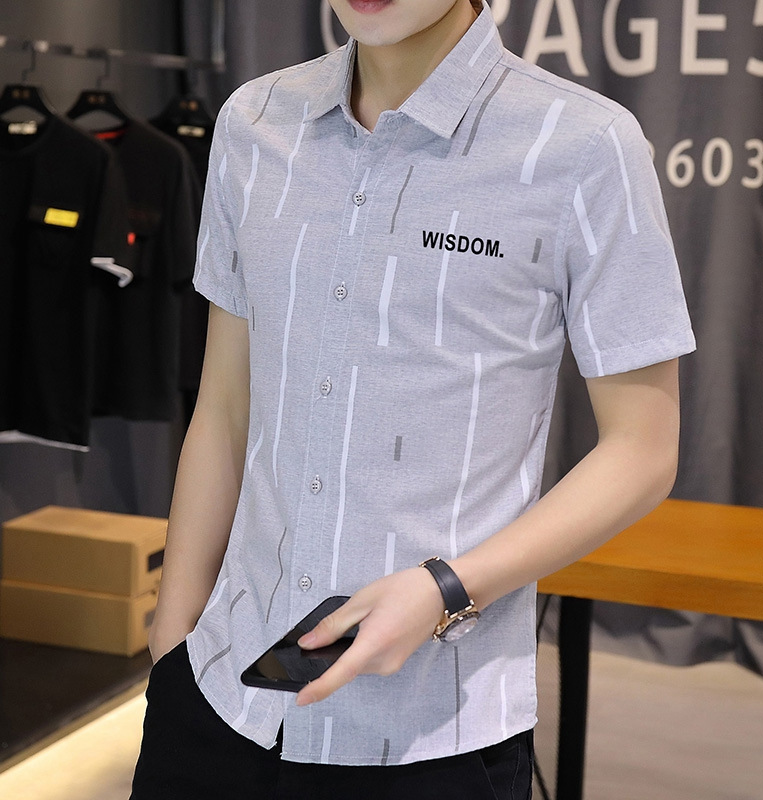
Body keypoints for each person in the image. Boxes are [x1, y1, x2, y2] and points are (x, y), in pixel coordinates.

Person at [130, 0, 695, 797]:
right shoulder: (255, 121)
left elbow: (644, 450)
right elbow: (225, 406)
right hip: (222, 697)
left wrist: (444, 588)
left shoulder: (583, 145)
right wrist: (173, 638)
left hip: (433, 728)